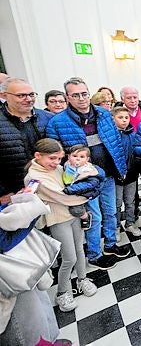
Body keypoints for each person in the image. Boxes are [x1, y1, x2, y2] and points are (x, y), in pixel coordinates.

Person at [46, 77, 129, 269]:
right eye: (76, 95)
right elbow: (55, 154)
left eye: (84, 93)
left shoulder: (103, 114)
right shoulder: (58, 122)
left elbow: (116, 142)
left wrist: (121, 168)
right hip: (84, 180)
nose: (82, 98)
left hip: (107, 174)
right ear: (68, 97)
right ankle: (94, 254)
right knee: (94, 217)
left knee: (111, 212)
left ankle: (110, 245)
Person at [25, 138, 98, 312]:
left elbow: (76, 181)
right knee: (69, 257)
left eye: (59, 158)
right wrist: (87, 196)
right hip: (58, 219)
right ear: (38, 156)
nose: (57, 163)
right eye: (52, 158)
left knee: (80, 249)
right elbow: (64, 197)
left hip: (73, 215)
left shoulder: (58, 168)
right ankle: (62, 292)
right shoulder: (34, 177)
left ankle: (82, 279)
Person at [0, 193, 65, 345]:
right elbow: (4, 241)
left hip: (21, 263)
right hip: (9, 275)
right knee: (26, 324)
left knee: (42, 307)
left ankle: (50, 339)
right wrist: (32, 212)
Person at [0, 78, 53, 205]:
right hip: (14, 195)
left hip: (50, 190)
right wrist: (2, 193)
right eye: (21, 95)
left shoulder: (48, 118)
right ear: (4, 96)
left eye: (31, 94)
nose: (29, 99)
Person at [112, 106, 141, 237]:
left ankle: (130, 223)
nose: (124, 120)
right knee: (117, 203)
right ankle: (116, 226)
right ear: (113, 119)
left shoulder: (133, 134)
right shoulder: (111, 136)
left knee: (130, 202)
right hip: (116, 175)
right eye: (120, 117)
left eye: (126, 117)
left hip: (131, 174)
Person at [61, 144, 105, 229]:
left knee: (77, 210)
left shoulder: (88, 170)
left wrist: (71, 189)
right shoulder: (67, 166)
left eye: (82, 157)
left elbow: (89, 184)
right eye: (74, 156)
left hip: (87, 194)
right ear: (68, 157)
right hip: (74, 192)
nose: (78, 158)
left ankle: (86, 218)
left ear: (87, 159)